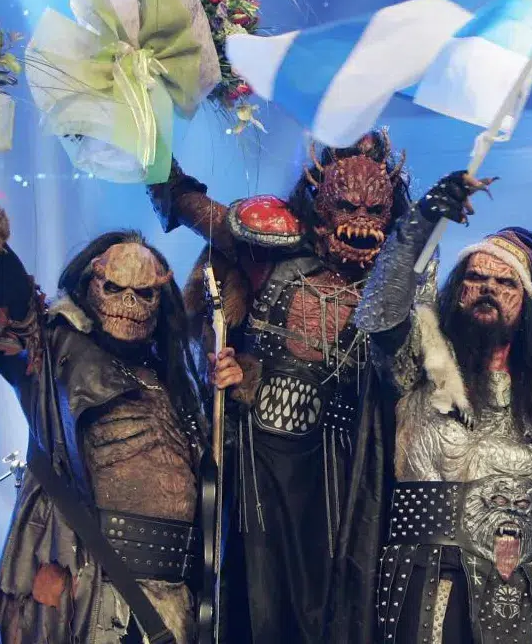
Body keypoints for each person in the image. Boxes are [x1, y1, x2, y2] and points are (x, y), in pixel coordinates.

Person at [0, 173, 242, 644]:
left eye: (144, 293)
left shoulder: (177, 382)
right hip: (93, 600)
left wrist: (232, 397)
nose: (129, 303)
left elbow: (221, 484)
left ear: (160, 301)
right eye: (115, 288)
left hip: (175, 605)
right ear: (91, 284)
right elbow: (10, 299)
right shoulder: (55, 357)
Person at [146, 129, 411, 643]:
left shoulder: (395, 285)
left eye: (373, 210)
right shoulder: (267, 243)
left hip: (345, 466)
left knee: (338, 608)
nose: (359, 223)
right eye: (347, 206)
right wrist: (145, 133)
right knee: (254, 598)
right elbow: (186, 203)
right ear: (320, 203)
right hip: (259, 456)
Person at [354, 171, 532, 643]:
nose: (488, 289)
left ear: (524, 304)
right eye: (475, 278)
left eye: (505, 283)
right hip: (435, 578)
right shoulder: (419, 363)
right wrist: (424, 217)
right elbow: (379, 311)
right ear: (457, 290)